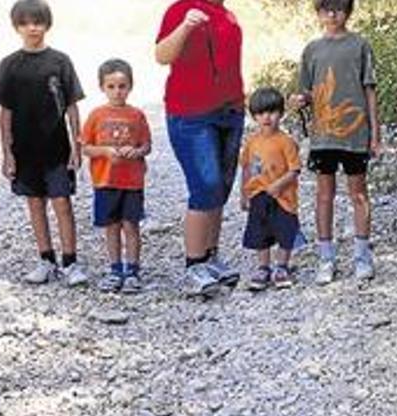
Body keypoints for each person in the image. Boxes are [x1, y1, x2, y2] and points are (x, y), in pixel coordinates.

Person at [0, 0, 88, 286]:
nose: (32, 28)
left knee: (62, 203)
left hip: (57, 146)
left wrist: (77, 144)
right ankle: (46, 259)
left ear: (47, 24)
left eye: (38, 22)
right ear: (16, 27)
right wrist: (7, 152)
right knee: (35, 204)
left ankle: (71, 262)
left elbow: (72, 105)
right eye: (25, 23)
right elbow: (4, 111)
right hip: (24, 148)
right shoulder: (9, 65)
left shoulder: (60, 61)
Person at [155, 0, 245, 296]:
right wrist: (185, 27)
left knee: (220, 188)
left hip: (229, 111)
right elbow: (161, 55)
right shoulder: (180, 10)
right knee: (204, 186)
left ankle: (211, 256)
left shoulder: (227, 15)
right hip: (191, 114)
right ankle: (193, 266)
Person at [290, 0, 381, 286]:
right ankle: (326, 256)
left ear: (348, 12)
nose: (333, 14)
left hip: (355, 133)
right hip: (323, 135)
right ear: (318, 13)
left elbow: (369, 91)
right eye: (326, 8)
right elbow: (305, 90)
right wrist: (299, 100)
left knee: (359, 194)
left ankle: (362, 255)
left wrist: (375, 133)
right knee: (323, 195)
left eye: (339, 8)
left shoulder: (360, 45)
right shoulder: (312, 50)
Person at [81, 59, 152, 294]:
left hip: (131, 182)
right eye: (111, 86)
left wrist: (137, 151)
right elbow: (86, 146)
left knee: (131, 225)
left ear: (130, 86)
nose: (117, 91)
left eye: (122, 86)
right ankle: (114, 269)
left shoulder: (137, 115)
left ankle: (132, 270)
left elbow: (146, 145)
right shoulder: (96, 115)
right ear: (102, 87)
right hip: (105, 180)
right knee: (111, 226)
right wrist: (104, 151)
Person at [240, 88, 302, 291]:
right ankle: (263, 267)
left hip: (283, 196)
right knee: (260, 232)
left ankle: (282, 266)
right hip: (259, 194)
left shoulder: (286, 142)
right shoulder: (251, 142)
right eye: (260, 113)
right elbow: (247, 169)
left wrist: (279, 184)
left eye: (272, 112)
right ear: (254, 116)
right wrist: (244, 193)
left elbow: (295, 170)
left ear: (281, 114)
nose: (266, 117)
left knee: (286, 230)